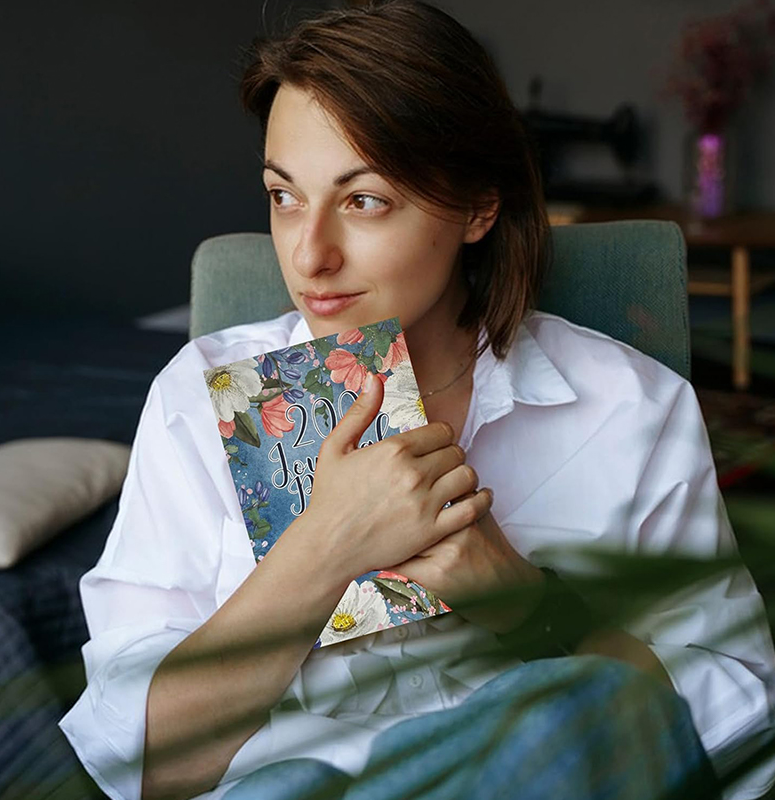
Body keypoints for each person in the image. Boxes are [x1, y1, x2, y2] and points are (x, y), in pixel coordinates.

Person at [59, 2, 775, 800]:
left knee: (555, 717)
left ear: (478, 205)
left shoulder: (630, 409)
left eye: (364, 200)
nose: (308, 255)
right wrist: (324, 547)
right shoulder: (198, 396)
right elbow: (144, 764)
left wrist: (528, 606)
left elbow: (734, 718)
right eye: (284, 196)